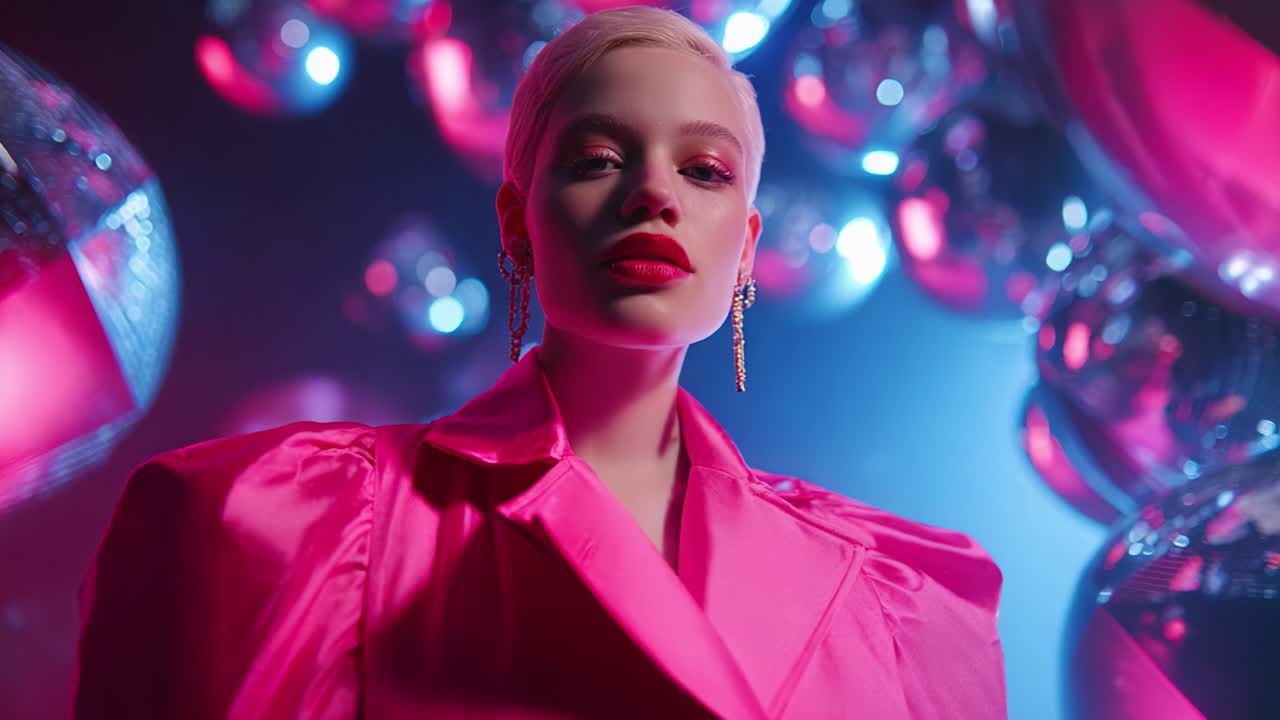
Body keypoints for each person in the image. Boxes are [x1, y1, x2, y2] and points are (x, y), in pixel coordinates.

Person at [73, 7, 1006, 719]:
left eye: (706, 171)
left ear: (750, 248)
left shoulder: (900, 595)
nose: (653, 194)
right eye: (599, 159)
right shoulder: (291, 526)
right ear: (517, 226)